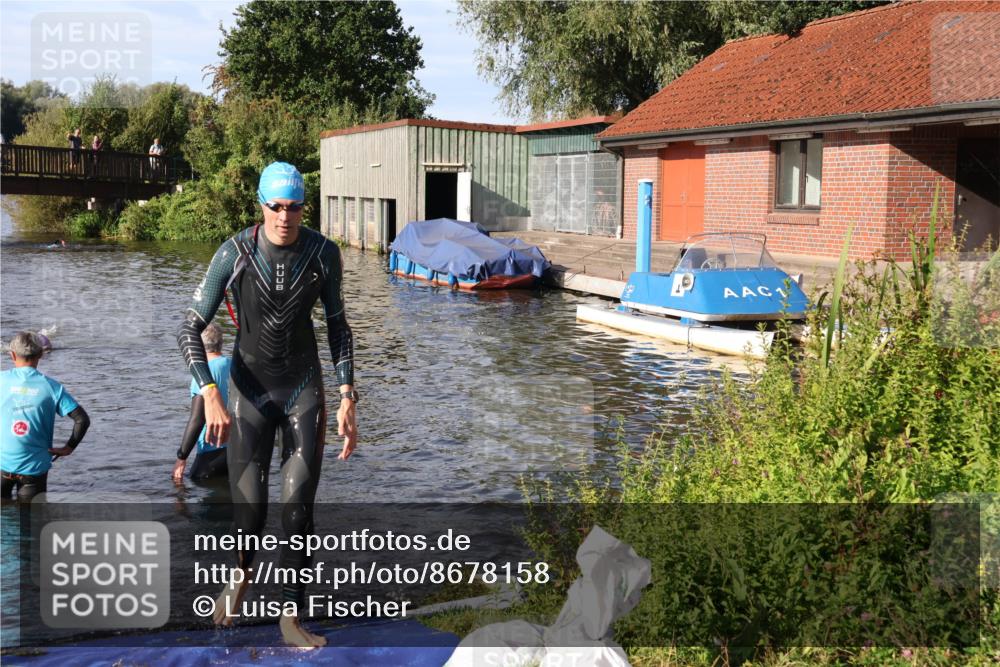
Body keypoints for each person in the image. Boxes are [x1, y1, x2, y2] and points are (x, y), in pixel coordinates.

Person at [177, 161, 357, 648]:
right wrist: (209, 393)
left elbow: (339, 327)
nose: (285, 216)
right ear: (261, 205)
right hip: (248, 392)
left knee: (298, 509)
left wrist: (347, 396)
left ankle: (291, 617)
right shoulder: (233, 252)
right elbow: (188, 328)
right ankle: (240, 576)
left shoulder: (323, 253)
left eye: (294, 206)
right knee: (250, 514)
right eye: (276, 206)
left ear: (304, 207)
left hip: (303, 389)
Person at [1, 332, 90, 502]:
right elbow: (82, 420)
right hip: (34, 470)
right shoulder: (52, 387)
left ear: (12, 355)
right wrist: (68, 448)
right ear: (41, 354)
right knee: (30, 523)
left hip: (2, 465)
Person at [173, 323, 231, 484]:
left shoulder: (202, 373)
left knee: (180, 489)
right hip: (237, 451)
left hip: (211, 453)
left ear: (197, 346)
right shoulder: (233, 364)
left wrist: (181, 457)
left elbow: (197, 419)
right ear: (221, 343)